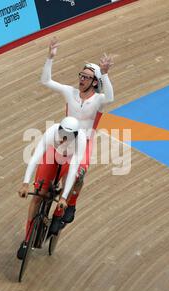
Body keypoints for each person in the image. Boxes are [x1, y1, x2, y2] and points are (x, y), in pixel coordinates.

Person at [40, 37, 115, 227]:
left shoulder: (98, 100)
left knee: (77, 174)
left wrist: (105, 74)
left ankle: (68, 205)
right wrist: (50, 57)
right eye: (81, 75)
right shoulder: (69, 92)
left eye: (87, 77)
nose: (81, 79)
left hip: (84, 143)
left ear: (95, 82)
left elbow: (111, 98)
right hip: (64, 138)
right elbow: (46, 81)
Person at [17, 116, 87, 259]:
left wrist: (63, 197)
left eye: (68, 138)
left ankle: (59, 214)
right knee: (37, 197)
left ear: (75, 136)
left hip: (68, 162)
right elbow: (35, 157)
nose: (63, 140)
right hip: (52, 157)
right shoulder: (51, 132)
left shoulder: (81, 140)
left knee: (73, 180)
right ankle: (27, 240)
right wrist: (25, 184)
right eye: (62, 136)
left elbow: (73, 169)